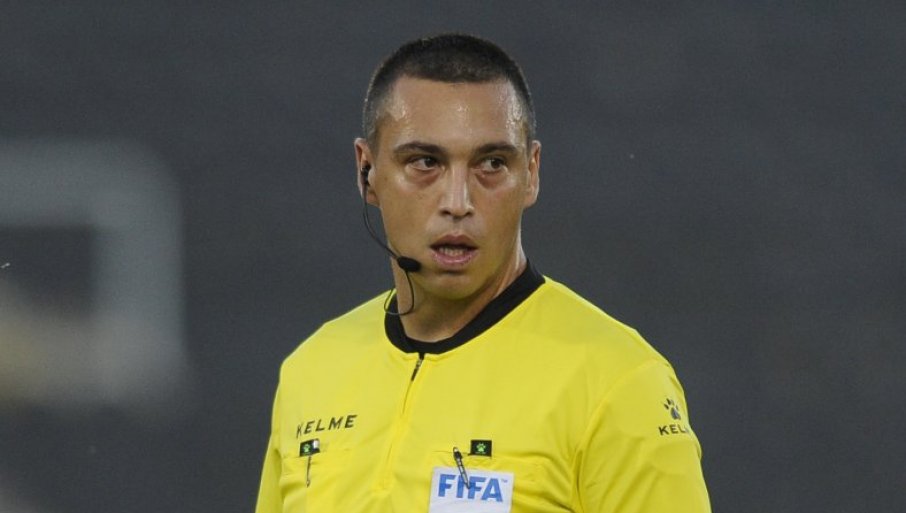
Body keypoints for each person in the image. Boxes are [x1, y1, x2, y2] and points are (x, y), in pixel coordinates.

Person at [255, 33, 710, 513]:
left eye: (491, 164)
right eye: (425, 163)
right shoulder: (311, 370)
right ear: (367, 171)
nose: (458, 202)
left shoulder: (619, 382)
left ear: (531, 173)